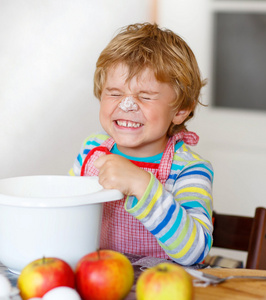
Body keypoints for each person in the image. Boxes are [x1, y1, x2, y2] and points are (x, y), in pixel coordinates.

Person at [69, 23, 213, 266]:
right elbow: (68, 216)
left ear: (180, 110)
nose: (127, 105)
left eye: (145, 96)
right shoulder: (91, 150)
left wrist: (141, 183)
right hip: (95, 281)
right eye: (115, 93)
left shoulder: (189, 169)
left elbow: (195, 251)